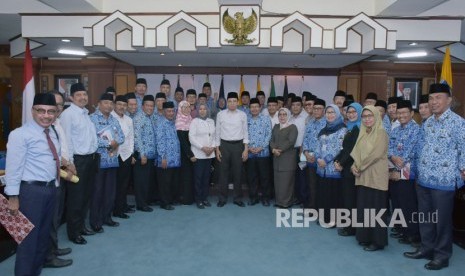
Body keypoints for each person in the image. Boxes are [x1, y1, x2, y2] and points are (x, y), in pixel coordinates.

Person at [404, 83, 465, 270]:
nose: (434, 101)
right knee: (425, 217)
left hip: (444, 182)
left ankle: (442, 255)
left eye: (438, 97)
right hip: (423, 179)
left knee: (442, 220)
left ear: (449, 100)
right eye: (431, 98)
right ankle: (426, 248)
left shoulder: (458, 122)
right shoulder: (427, 122)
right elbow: (419, 148)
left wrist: (462, 174)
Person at [5, 93, 61, 275]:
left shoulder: (52, 132)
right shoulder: (19, 134)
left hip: (50, 189)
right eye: (41, 111)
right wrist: (12, 197)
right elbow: (13, 167)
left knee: (43, 238)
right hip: (30, 192)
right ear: (32, 111)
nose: (46, 115)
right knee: (28, 241)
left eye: (51, 111)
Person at [60, 83, 98, 245]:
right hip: (77, 161)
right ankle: (73, 232)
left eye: (84, 94)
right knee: (76, 198)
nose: (83, 97)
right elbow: (66, 140)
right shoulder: (68, 115)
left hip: (90, 159)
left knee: (85, 196)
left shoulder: (85, 114)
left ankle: (81, 226)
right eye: (78, 95)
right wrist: (70, 163)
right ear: (71, 97)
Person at [350, 105, 389, 251]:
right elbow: (356, 153)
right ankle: (364, 237)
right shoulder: (364, 132)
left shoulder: (381, 133)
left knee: (376, 208)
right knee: (364, 207)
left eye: (370, 116)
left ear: (376, 117)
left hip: (376, 176)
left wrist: (358, 167)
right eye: (364, 116)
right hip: (362, 176)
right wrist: (353, 166)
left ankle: (378, 241)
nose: (367, 119)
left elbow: (375, 155)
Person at [89, 93, 124, 233]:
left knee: (110, 191)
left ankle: (107, 217)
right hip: (98, 159)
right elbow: (91, 139)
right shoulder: (92, 119)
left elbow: (121, 136)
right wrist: (109, 142)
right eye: (106, 103)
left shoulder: (114, 120)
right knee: (97, 191)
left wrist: (117, 141)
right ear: (99, 103)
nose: (109, 106)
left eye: (111, 103)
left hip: (112, 160)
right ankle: (95, 221)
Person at [388, 100, 420, 245]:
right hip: (393, 171)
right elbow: (389, 150)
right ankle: (401, 229)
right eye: (399, 113)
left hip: (409, 173)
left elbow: (410, 154)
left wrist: (399, 171)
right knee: (397, 202)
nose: (401, 115)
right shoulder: (395, 130)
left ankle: (411, 234)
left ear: (411, 113)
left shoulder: (417, 130)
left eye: (404, 113)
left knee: (408, 204)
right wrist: (393, 161)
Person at [314, 104, 347, 226]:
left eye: (333, 112)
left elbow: (339, 147)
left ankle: (333, 220)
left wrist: (326, 160)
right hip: (321, 167)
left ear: (338, 114)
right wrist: (318, 158)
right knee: (322, 192)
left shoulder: (343, 129)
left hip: (333, 167)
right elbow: (317, 145)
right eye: (328, 112)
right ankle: (323, 218)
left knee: (333, 194)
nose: (330, 115)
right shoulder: (323, 129)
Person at [215, 92, 249, 207]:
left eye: (235, 101)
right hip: (224, 146)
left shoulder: (242, 114)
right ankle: (222, 198)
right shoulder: (221, 114)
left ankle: (237, 198)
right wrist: (217, 149)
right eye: (230, 101)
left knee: (238, 173)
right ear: (227, 102)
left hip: (238, 146)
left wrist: (245, 149)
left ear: (237, 102)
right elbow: (217, 132)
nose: (232, 103)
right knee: (223, 173)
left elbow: (245, 132)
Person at [334, 102, 362, 236]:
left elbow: (352, 150)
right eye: (349, 112)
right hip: (345, 166)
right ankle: (348, 225)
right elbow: (344, 148)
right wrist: (337, 160)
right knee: (347, 197)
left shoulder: (358, 128)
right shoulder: (350, 127)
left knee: (351, 198)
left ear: (359, 113)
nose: (351, 114)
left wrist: (341, 162)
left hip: (352, 168)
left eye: (353, 112)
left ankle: (351, 228)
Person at [111, 95, 135, 219]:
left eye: (124, 105)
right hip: (113, 155)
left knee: (124, 183)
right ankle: (116, 209)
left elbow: (131, 138)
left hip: (126, 155)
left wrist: (130, 152)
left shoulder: (128, 119)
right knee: (114, 184)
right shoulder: (110, 118)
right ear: (115, 105)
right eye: (119, 104)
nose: (122, 107)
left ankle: (122, 206)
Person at [189, 103, 216, 209]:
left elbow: (214, 136)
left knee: (206, 178)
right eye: (200, 109)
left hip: (209, 154)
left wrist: (212, 147)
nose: (202, 110)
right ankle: (198, 200)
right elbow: (191, 137)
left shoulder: (211, 121)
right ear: (197, 111)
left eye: (204, 109)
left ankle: (204, 198)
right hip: (199, 154)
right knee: (198, 178)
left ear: (207, 110)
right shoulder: (194, 121)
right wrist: (203, 148)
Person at [132, 95, 157, 212]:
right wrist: (142, 154)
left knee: (147, 180)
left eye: (152, 106)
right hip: (143, 156)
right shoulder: (138, 119)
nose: (150, 108)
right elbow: (137, 138)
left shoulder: (151, 118)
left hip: (151, 155)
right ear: (142, 106)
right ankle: (141, 204)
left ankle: (146, 201)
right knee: (141, 181)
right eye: (147, 105)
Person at [246, 98, 272, 206]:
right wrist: (249, 147)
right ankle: (253, 197)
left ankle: (265, 198)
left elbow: (269, 134)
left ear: (260, 107)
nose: (254, 109)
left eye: (256, 106)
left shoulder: (266, 119)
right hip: (250, 153)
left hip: (263, 153)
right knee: (252, 177)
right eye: (252, 107)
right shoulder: (246, 120)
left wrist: (261, 147)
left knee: (264, 177)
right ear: (249, 108)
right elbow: (244, 134)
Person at [270, 108, 298, 208]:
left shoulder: (293, 127)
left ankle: (286, 203)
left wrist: (279, 150)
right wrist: (273, 149)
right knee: (278, 181)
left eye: (284, 114)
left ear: (288, 116)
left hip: (287, 158)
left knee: (287, 182)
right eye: (280, 114)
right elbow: (271, 139)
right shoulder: (276, 126)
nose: (282, 117)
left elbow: (291, 142)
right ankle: (279, 202)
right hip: (276, 158)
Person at [156, 101, 182, 210]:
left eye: (172, 111)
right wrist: (163, 157)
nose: (171, 113)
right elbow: (160, 141)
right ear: (163, 112)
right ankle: (164, 203)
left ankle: (171, 200)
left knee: (172, 181)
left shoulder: (173, 123)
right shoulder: (161, 124)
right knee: (164, 182)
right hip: (165, 159)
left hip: (175, 159)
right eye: (168, 111)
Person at [302, 98, 326, 209]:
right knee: (311, 184)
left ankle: (320, 208)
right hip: (309, 158)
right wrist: (306, 153)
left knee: (321, 185)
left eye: (319, 109)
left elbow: (327, 143)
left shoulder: (328, 124)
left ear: (324, 110)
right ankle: (312, 207)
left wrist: (315, 156)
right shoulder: (310, 123)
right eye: (315, 108)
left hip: (322, 160)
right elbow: (305, 139)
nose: (316, 111)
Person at [289, 96, 308, 207]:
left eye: (298, 105)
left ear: (301, 106)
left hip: (302, 151)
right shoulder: (289, 118)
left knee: (302, 175)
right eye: (293, 105)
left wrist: (303, 149)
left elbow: (306, 135)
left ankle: (303, 198)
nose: (295, 107)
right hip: (291, 151)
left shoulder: (306, 118)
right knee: (294, 175)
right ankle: (296, 197)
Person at [175, 100, 195, 205]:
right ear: (180, 109)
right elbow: (182, 141)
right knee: (185, 176)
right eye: (184, 107)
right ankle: (185, 198)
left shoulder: (190, 119)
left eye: (188, 107)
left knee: (190, 176)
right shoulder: (179, 121)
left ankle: (190, 197)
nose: (187, 109)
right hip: (184, 154)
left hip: (191, 152)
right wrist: (190, 154)